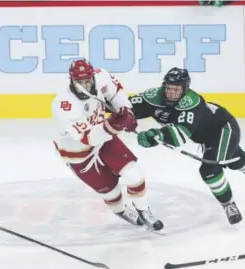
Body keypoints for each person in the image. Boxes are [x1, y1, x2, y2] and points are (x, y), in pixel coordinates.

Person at [51, 59, 164, 231]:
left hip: (104, 138)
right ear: (71, 80)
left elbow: (115, 92)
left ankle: (144, 210)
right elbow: (87, 138)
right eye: (78, 82)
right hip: (79, 153)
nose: (83, 86)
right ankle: (121, 211)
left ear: (92, 77)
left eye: (87, 81)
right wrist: (115, 125)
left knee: (134, 174)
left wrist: (125, 110)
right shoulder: (64, 105)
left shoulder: (101, 76)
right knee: (111, 192)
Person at [129, 67, 245, 225]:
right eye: (169, 88)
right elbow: (125, 106)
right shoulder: (154, 96)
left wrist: (157, 135)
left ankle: (228, 205)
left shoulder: (192, 102)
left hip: (223, 129)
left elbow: (180, 135)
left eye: (176, 89)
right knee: (236, 161)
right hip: (206, 137)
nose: (171, 93)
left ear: (185, 89)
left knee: (209, 171)